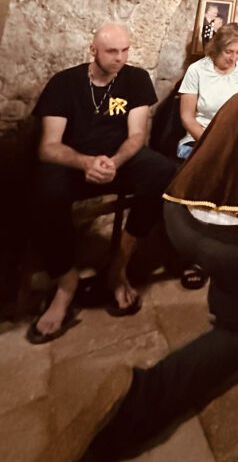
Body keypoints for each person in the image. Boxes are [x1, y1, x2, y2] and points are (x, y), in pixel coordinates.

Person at [82, 81, 238, 460]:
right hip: (232, 248)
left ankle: (224, 299)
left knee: (232, 280)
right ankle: (140, 400)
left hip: (180, 217)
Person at [27, 23, 175, 344]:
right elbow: (49, 146)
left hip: (117, 161)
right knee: (43, 192)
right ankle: (66, 285)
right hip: (75, 163)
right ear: (93, 50)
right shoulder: (65, 83)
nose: (120, 58)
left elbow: (137, 136)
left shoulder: (135, 79)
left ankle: (118, 266)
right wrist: (86, 163)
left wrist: (114, 163)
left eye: (125, 50)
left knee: (162, 172)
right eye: (112, 51)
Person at [177, 22, 238, 159]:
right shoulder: (197, 70)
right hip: (201, 137)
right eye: (229, 52)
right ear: (217, 48)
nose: (234, 58)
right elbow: (187, 117)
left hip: (235, 138)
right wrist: (211, 143)